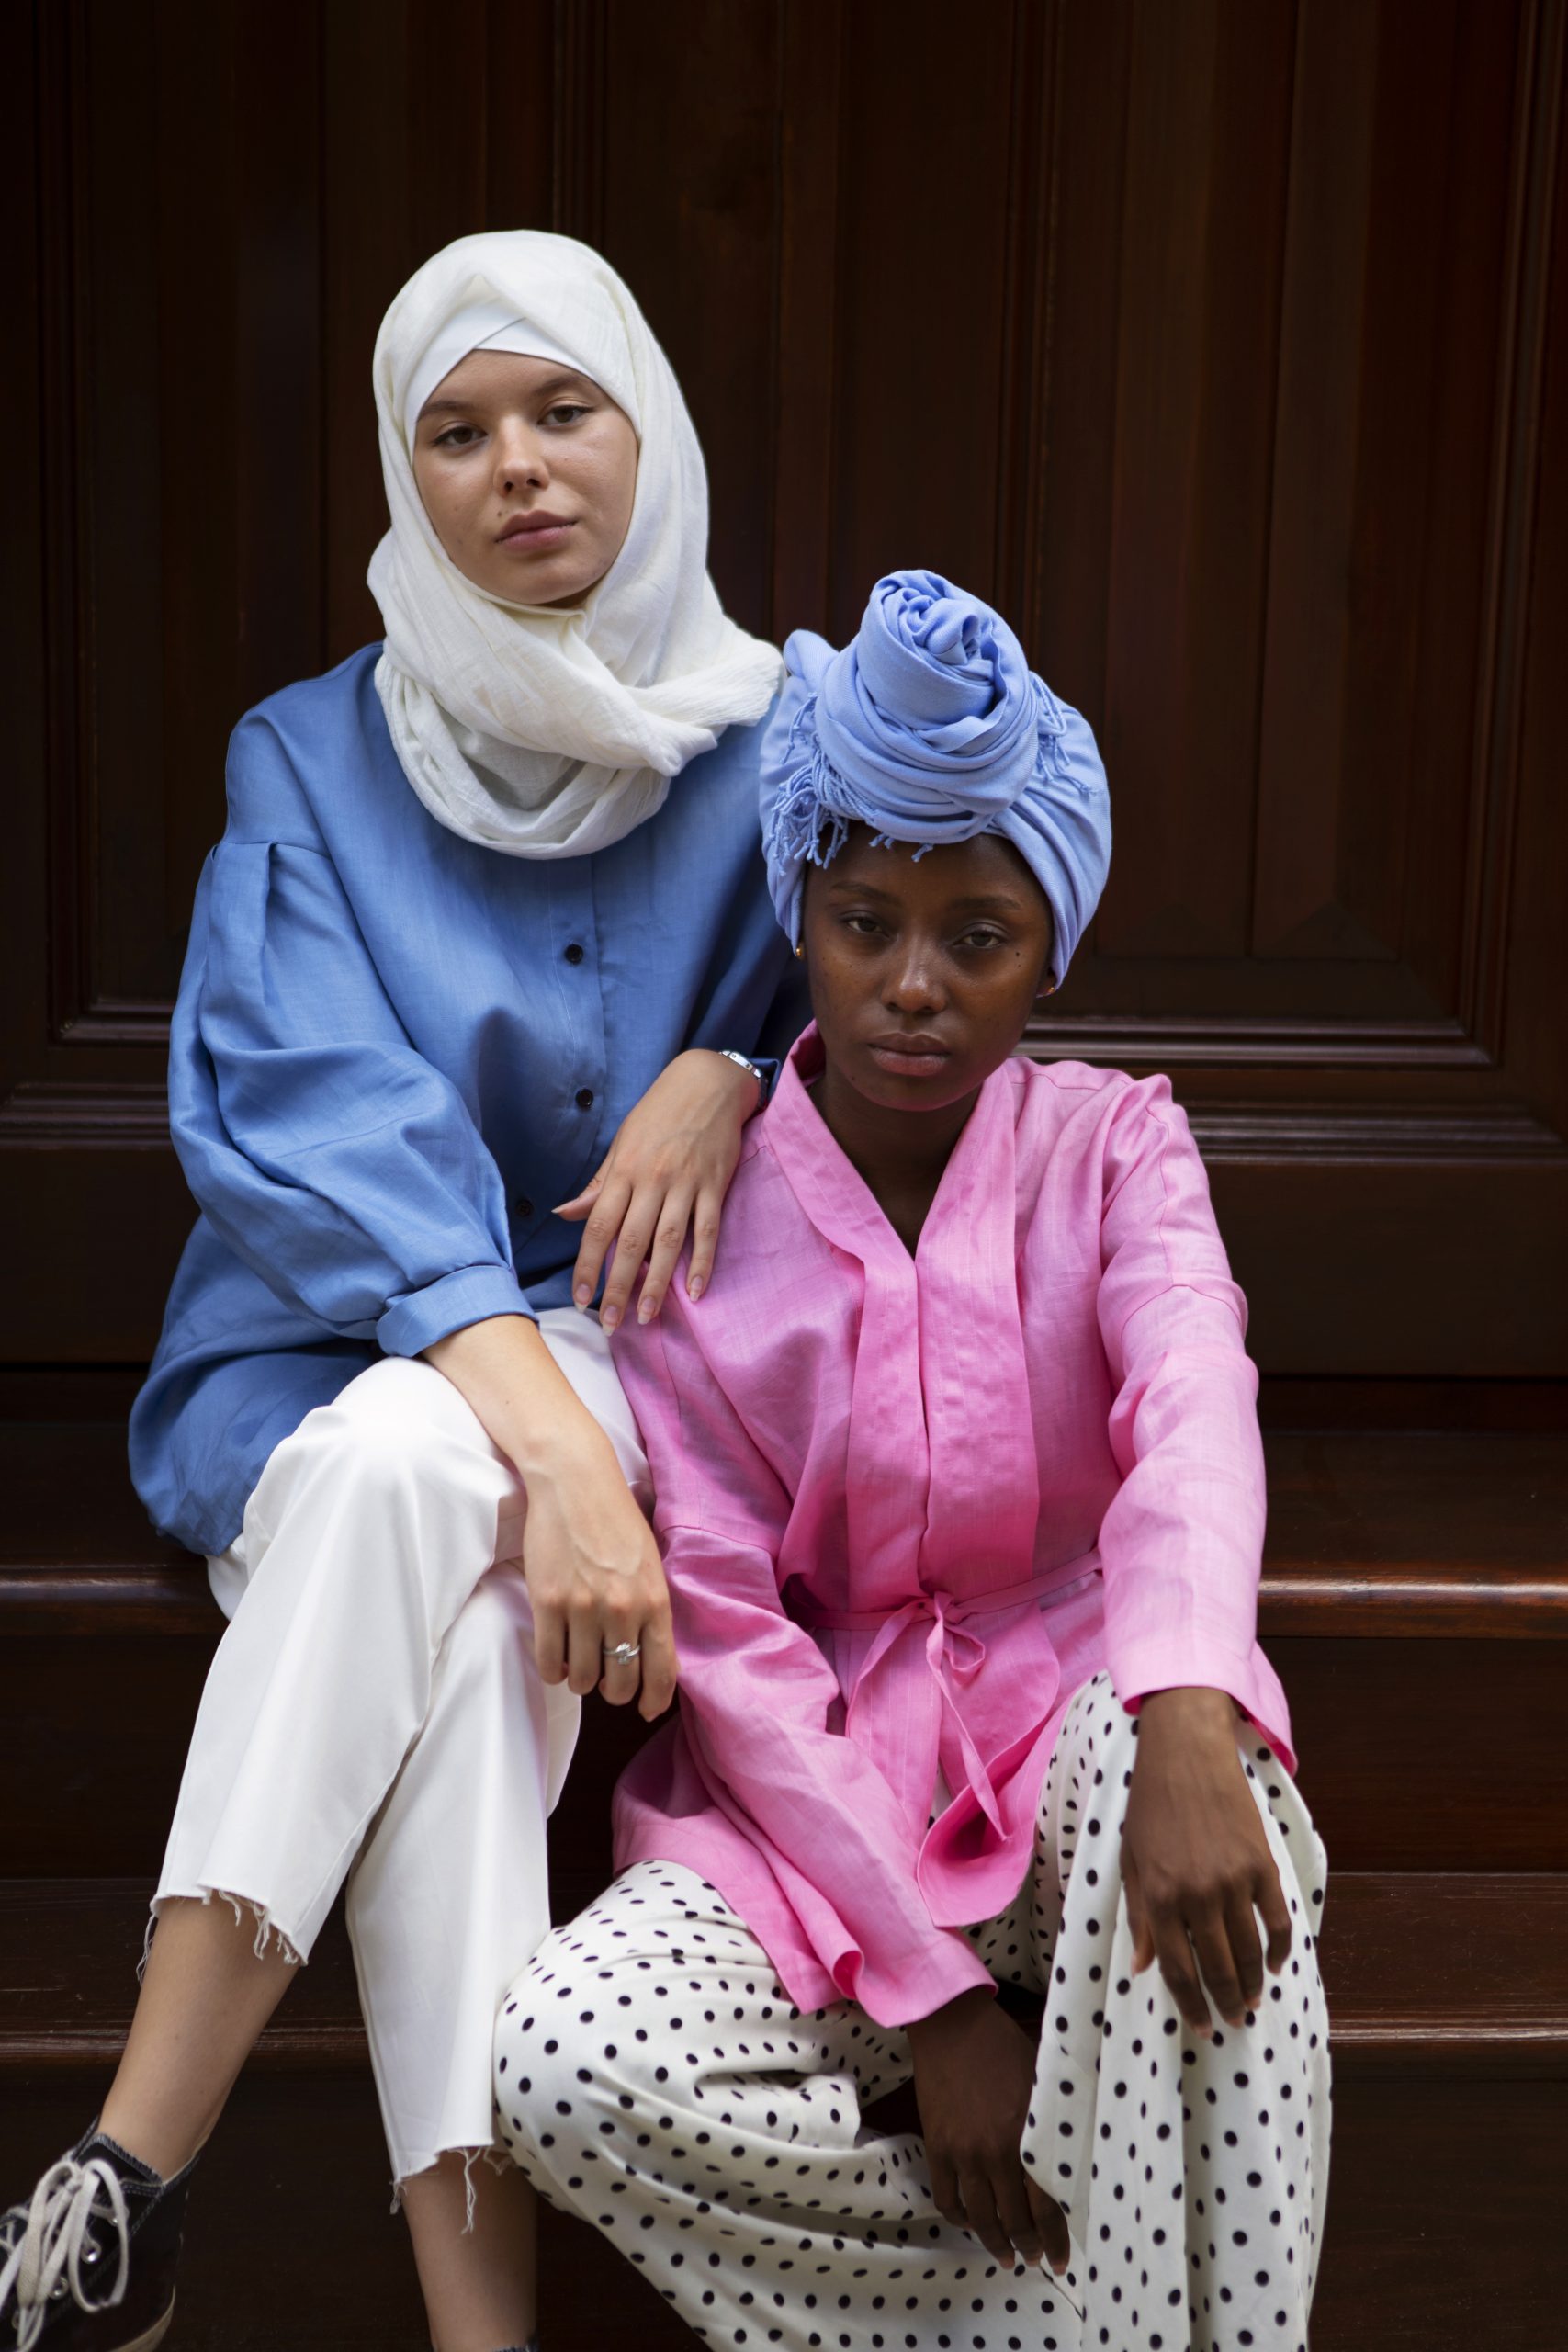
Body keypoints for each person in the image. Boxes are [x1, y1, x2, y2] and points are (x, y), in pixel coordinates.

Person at [0, 231, 804, 2352]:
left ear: (650, 427)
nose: (518, 468)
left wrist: (733, 1057)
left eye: (564, 409)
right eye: (457, 429)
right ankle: (479, 2336)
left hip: (647, 1357)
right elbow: (304, 1094)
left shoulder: (789, 727)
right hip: (328, 1356)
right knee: (425, 1540)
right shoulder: (310, 753)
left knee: (409, 1498)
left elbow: (1012, 846)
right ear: (401, 470)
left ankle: (123, 2173)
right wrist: (545, 1443)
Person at [497, 571, 1330, 2352]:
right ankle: (1060, 2312)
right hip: (832, 1813)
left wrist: (1188, 1704)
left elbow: (1193, 1399)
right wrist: (939, 2006)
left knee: (1199, 1817)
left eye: (978, 934)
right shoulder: (694, 1223)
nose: (911, 985)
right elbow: (721, 1628)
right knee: (562, 2059)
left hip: (1094, 1768)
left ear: (1053, 945)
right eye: (865, 921)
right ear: (799, 912)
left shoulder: (1115, 1147)